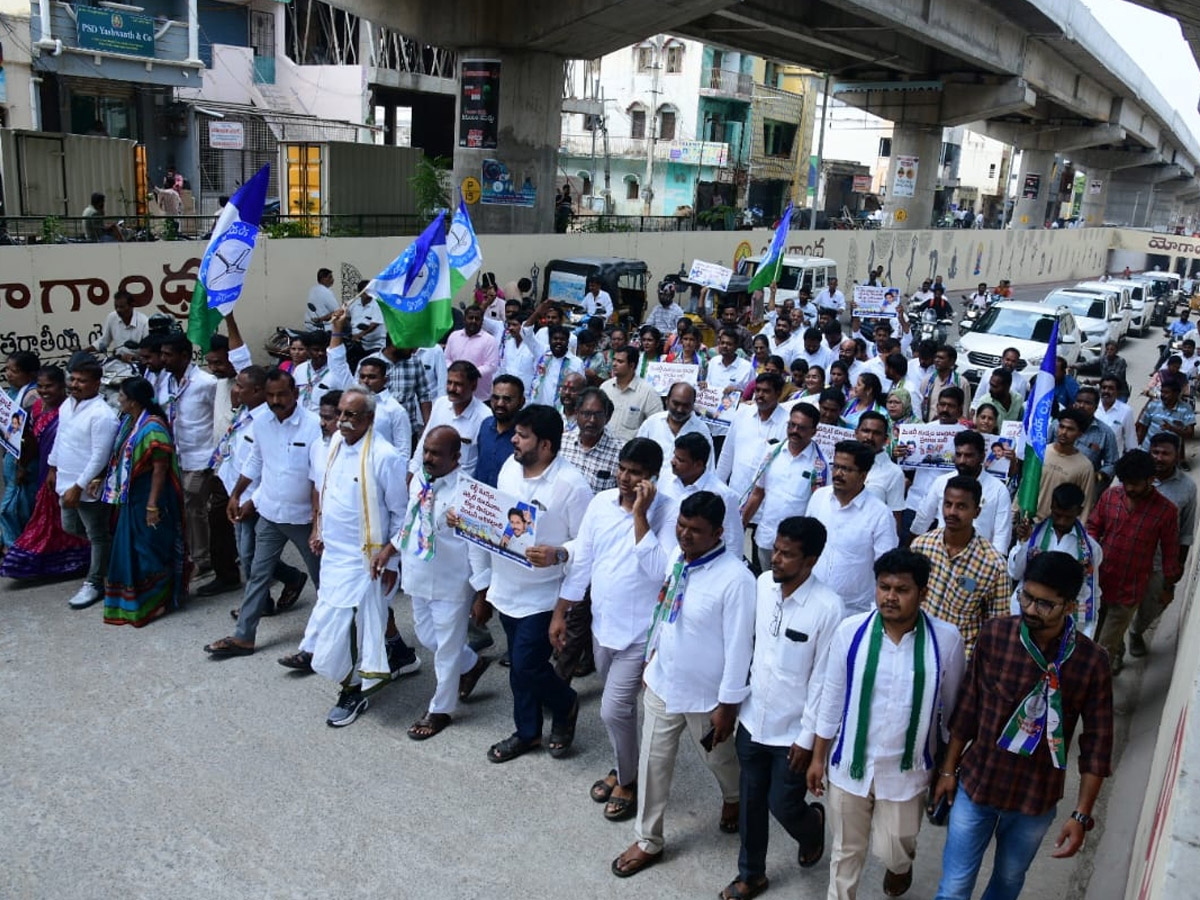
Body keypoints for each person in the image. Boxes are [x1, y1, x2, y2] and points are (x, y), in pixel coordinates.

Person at [931, 552, 1113, 900]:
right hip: (978, 786)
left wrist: (1081, 815)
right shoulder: (995, 635)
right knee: (953, 888)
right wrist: (948, 771)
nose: (1030, 609)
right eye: (1026, 597)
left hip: (1035, 799)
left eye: (1045, 604)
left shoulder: (1092, 662)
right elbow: (968, 708)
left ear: (1070, 607)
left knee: (1008, 883)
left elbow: (1098, 746)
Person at [611, 491, 756, 879]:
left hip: (707, 697)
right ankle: (648, 840)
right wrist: (652, 657)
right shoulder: (678, 558)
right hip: (662, 683)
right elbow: (666, 611)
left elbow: (741, 647)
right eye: (681, 526)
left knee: (719, 758)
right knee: (653, 764)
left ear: (718, 533)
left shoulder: (737, 580)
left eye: (696, 530)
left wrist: (728, 705)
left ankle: (734, 796)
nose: (685, 535)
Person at [807, 549, 965, 900]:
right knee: (846, 851)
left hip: (907, 771)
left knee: (894, 848)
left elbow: (953, 712)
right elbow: (831, 700)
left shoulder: (946, 640)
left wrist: (947, 770)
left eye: (902, 589)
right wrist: (818, 757)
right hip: (850, 765)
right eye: (883, 587)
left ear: (922, 593)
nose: (890, 596)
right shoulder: (851, 632)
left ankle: (900, 867)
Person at [553, 438, 677, 822]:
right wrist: (561, 612)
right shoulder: (600, 504)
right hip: (601, 626)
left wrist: (641, 515)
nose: (625, 478)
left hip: (641, 634)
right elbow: (583, 562)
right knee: (620, 713)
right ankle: (624, 764)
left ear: (652, 478)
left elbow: (661, 573)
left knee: (611, 710)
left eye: (636, 473)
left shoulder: (669, 513)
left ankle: (627, 781)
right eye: (623, 469)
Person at [720, 516, 843, 900]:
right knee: (751, 802)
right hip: (753, 720)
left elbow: (825, 682)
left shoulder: (828, 608)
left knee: (783, 805)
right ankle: (751, 874)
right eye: (776, 550)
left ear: (812, 560)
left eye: (788, 555)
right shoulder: (761, 586)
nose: (776, 560)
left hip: (793, 732)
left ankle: (811, 826)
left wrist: (809, 741)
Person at [470, 405, 591, 762]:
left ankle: (564, 704)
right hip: (506, 587)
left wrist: (559, 553)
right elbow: (498, 519)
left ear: (547, 445)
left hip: (544, 595)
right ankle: (529, 732)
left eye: (523, 436)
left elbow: (587, 543)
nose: (514, 441)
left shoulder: (572, 486)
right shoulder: (510, 468)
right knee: (523, 670)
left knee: (525, 665)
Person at [294, 387, 408, 727]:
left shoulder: (386, 456)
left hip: (367, 559)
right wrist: (318, 529)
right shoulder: (332, 448)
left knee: (349, 626)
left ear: (370, 419)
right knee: (347, 616)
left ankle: (353, 689)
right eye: (339, 414)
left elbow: (402, 514)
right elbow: (326, 494)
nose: (340, 422)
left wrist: (389, 554)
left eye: (350, 415)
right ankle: (401, 654)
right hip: (334, 556)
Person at [373, 426, 492, 738]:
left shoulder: (468, 494)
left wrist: (482, 595)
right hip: (419, 577)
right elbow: (412, 520)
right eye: (426, 450)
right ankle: (471, 664)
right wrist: (390, 549)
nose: (428, 457)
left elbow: (477, 549)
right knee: (428, 636)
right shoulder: (422, 482)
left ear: (456, 457)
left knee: (447, 650)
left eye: (436, 453)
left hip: (452, 585)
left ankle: (440, 710)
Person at [204, 369, 323, 658]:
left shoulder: (313, 426)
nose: (276, 400)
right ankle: (244, 637)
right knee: (257, 574)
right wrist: (237, 494)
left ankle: (326, 641)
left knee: (324, 581)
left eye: (282, 394)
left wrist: (318, 523)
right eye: (270, 395)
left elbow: (319, 478)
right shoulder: (261, 422)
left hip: (303, 518)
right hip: (269, 513)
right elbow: (256, 460)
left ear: (295, 393)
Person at [100, 377, 187, 626]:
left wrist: (152, 505)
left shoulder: (153, 428)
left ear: (134, 401)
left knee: (148, 549)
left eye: (122, 397)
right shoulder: (129, 422)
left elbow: (160, 469)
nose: (119, 401)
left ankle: (159, 599)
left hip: (150, 497)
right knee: (132, 549)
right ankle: (137, 600)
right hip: (131, 497)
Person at [1087, 450, 1180, 675]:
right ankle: (1118, 651)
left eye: (1136, 484)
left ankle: (1095, 694)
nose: (1130, 489)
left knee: (1102, 651)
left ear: (1151, 480)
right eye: (1126, 483)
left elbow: (1170, 553)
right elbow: (1092, 527)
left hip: (1130, 590)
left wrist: (1168, 587)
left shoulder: (1166, 511)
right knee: (1091, 638)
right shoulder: (1110, 497)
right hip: (1099, 583)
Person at [157, 335, 234, 592]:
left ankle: (204, 560)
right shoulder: (166, 381)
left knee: (195, 509)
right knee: (188, 510)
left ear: (185, 356)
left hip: (202, 456)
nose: (164, 359)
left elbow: (224, 413)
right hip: (178, 454)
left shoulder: (206, 382)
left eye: (169, 354)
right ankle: (202, 555)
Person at [0, 367, 90, 580]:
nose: (43, 391)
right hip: (42, 472)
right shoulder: (37, 407)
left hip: (64, 474)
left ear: (62, 387)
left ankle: (75, 562)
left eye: (49, 386)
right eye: (40, 386)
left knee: (63, 523)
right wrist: (22, 464)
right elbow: (29, 440)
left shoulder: (68, 410)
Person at [911, 476, 1012, 656]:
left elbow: (997, 629)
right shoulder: (921, 546)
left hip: (959, 660)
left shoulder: (993, 566)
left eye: (961, 506)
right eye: (948, 504)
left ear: (977, 512)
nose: (952, 512)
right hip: (916, 650)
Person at [48, 361, 120, 609]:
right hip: (65, 480)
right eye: (73, 379)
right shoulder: (68, 405)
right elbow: (61, 436)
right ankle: (110, 558)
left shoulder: (102, 415)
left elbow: (100, 456)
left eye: (82, 381)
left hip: (86, 487)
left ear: (97, 383)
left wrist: (78, 486)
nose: (74, 385)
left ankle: (95, 582)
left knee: (97, 535)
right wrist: (52, 466)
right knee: (72, 527)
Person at [808, 440, 900, 615]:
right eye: (836, 466)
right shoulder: (819, 498)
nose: (838, 474)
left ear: (863, 476)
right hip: (813, 602)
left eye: (847, 469)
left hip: (853, 611)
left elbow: (886, 569)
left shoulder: (880, 515)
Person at [1128, 432, 1196, 658]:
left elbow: (1186, 531)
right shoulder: (1135, 477)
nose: (1159, 457)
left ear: (1177, 456)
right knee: (1118, 607)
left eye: (1165, 453)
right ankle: (1116, 652)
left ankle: (1136, 632)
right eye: (1155, 452)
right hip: (1127, 555)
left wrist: (1179, 566)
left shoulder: (1187, 488)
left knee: (1154, 604)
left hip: (1160, 562)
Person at [741, 403, 827, 573]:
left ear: (813, 431)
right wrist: (741, 524)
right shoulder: (772, 453)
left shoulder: (820, 467)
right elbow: (757, 493)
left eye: (801, 428)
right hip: (766, 538)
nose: (794, 431)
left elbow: (820, 509)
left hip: (796, 547)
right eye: (791, 425)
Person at [1009, 483, 1103, 638]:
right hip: (1025, 612)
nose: (1061, 521)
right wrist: (1023, 543)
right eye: (1057, 514)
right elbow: (1015, 572)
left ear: (1078, 511)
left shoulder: (1091, 550)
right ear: (1051, 507)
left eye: (1068, 517)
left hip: (1060, 622)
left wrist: (1088, 631)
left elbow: (1090, 592)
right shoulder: (1034, 536)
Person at [912, 430, 1014, 554]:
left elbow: (1001, 537)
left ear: (982, 456)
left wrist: (993, 565)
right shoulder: (941, 482)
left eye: (968, 456)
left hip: (980, 562)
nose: (962, 461)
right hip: (940, 557)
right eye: (959, 454)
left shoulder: (998, 490)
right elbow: (922, 520)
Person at [717, 372, 789, 516]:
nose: (760, 395)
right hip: (734, 500)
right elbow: (727, 454)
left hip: (765, 508)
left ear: (778, 393)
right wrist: (716, 488)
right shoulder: (742, 414)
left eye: (766, 391)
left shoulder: (788, 423)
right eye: (758, 390)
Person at [660, 431, 744, 551]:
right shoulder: (665, 477)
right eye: (674, 456)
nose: (673, 462)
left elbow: (733, 542)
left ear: (698, 464)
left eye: (680, 460)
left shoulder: (723, 495)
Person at [409, 361, 487, 480]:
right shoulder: (440, 404)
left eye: (458, 384)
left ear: (473, 385)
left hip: (461, 488)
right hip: (428, 481)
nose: (452, 388)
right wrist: (412, 471)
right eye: (449, 383)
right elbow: (424, 440)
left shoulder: (485, 418)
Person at [636, 382, 714, 482]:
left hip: (685, 492)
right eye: (676, 403)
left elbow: (708, 468)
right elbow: (637, 457)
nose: (680, 409)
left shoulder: (701, 430)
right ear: (667, 401)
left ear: (693, 404)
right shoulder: (652, 423)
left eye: (685, 405)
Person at [1, 351, 40, 552]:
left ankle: (16, 551)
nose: (8, 374)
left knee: (10, 510)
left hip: (24, 462)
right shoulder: (14, 392)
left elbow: (29, 436)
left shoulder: (31, 396)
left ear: (30, 374)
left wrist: (22, 466)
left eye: (14, 371)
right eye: (7, 369)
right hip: (11, 459)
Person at [1034, 409, 1096, 523]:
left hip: (1058, 527)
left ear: (1080, 434)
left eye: (1070, 429)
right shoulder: (1040, 453)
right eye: (1061, 427)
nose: (1063, 432)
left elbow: (1085, 506)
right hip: (1030, 522)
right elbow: (1026, 484)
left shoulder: (1085, 467)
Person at [561, 388, 622, 494]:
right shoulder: (562, 443)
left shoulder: (620, 452)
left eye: (598, 415)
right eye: (586, 413)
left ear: (607, 417)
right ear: (577, 414)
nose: (592, 420)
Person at [600, 346, 665, 443]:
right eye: (614, 360)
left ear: (632, 366)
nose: (614, 364)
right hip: (603, 447)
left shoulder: (648, 392)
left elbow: (658, 425)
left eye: (620, 361)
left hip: (630, 452)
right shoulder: (605, 387)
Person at [857, 411, 906, 532]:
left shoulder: (894, 473)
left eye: (876, 433)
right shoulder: (844, 463)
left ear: (885, 439)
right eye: (866, 431)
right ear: (856, 433)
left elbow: (895, 519)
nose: (869, 437)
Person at [474, 374, 525, 488]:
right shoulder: (485, 425)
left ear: (521, 402)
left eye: (507, 399)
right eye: (495, 398)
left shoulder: (526, 437)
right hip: (478, 499)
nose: (500, 404)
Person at [1062, 386, 1118, 489]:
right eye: (1079, 401)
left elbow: (1112, 463)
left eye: (1087, 403)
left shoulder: (1105, 433)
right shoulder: (1059, 425)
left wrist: (1097, 477)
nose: (1081, 406)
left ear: (1096, 407)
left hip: (1084, 487)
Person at [445, 305, 500, 400]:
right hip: (455, 392)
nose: (473, 321)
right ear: (464, 319)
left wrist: (468, 375)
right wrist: (456, 373)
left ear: (482, 321)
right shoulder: (454, 336)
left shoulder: (489, 340)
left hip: (480, 396)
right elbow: (446, 359)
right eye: (470, 318)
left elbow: (491, 366)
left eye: (477, 318)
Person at [1137, 371, 1195, 449]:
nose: (1163, 395)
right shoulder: (1153, 405)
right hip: (1148, 450)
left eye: (1167, 393)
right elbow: (1143, 427)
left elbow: (1190, 434)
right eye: (1162, 392)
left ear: (1176, 394)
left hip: (1169, 455)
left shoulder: (1186, 409)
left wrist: (1172, 429)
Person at [88, 289, 148, 361]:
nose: (118, 310)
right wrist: (83, 352)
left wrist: (134, 358)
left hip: (137, 363)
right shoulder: (112, 317)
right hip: (118, 361)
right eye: (116, 307)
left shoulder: (144, 322)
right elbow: (103, 341)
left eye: (122, 307)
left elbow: (148, 352)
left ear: (132, 306)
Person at [920, 347, 972, 421]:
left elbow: (965, 411)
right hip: (930, 428)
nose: (937, 360)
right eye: (936, 357)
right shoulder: (927, 380)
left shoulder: (961, 383)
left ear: (952, 362)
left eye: (941, 358)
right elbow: (921, 406)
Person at [1096, 376, 1137, 456]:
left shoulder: (1126, 411)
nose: (1106, 391)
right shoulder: (1093, 407)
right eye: (1104, 388)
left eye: (1111, 388)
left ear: (1118, 392)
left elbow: (1130, 440)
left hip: (1113, 461)